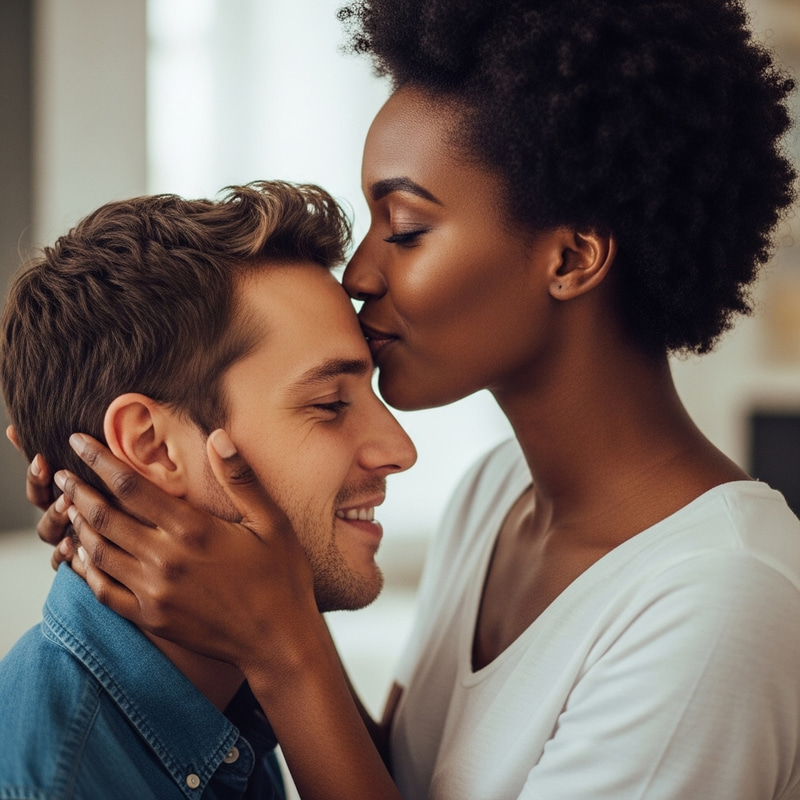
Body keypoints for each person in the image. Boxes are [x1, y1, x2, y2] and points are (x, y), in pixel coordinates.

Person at [20, 0, 800, 798]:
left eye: (404, 229)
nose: (358, 275)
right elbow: (405, 782)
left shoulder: (719, 600)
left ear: (571, 257)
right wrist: (236, 583)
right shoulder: (497, 495)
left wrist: (282, 643)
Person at [0, 180, 416, 800]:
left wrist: (285, 633)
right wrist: (283, 646)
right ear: (150, 448)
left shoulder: (228, 689)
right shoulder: (59, 781)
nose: (400, 450)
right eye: (329, 404)